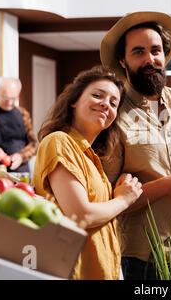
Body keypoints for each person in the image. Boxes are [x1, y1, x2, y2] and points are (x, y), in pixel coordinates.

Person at [100, 11, 171, 280]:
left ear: (165, 55)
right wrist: (167, 185)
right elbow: (110, 201)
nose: (149, 59)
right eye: (138, 52)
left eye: (155, 50)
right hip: (146, 260)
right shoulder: (113, 116)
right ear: (123, 60)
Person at [32, 66, 143, 280]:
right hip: (75, 271)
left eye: (113, 103)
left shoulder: (90, 157)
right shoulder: (59, 141)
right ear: (74, 100)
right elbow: (80, 215)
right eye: (97, 95)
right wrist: (124, 199)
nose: (105, 104)